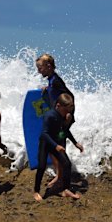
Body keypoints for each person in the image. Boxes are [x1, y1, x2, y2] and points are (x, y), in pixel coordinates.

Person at [35, 53, 82, 187]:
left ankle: (60, 177)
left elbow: (69, 96)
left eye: (40, 68)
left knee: (57, 147)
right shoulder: (51, 80)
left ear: (48, 66)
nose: (38, 71)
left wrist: (69, 114)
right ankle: (60, 175)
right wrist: (47, 88)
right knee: (55, 147)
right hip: (58, 119)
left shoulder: (56, 81)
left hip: (63, 120)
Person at [33, 93, 82, 201]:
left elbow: (64, 130)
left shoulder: (62, 115)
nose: (67, 113)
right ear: (58, 106)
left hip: (56, 144)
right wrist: (56, 146)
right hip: (46, 143)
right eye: (66, 109)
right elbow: (44, 133)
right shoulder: (49, 115)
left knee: (67, 164)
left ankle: (65, 190)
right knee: (41, 166)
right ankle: (36, 191)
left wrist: (75, 143)